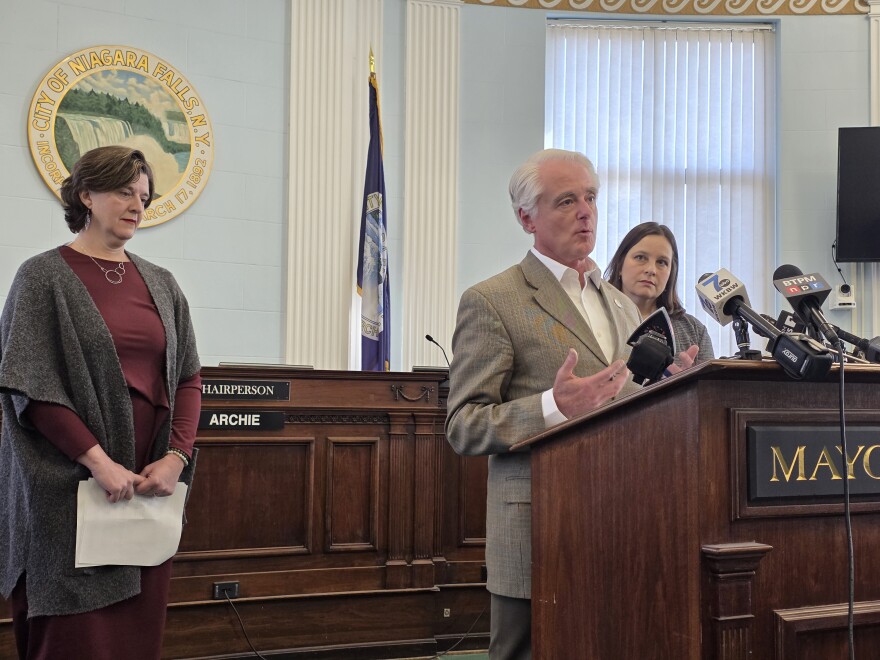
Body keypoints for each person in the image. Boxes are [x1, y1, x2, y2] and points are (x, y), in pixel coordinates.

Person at [445, 149, 698, 660]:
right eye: (566, 201)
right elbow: (464, 425)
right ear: (527, 219)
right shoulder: (492, 300)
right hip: (539, 527)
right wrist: (553, 407)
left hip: (623, 520)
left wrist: (668, 391)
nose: (586, 212)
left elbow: (621, 399)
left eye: (591, 198)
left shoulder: (620, 303)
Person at [0, 146, 202, 660]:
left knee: (136, 638)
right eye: (124, 192)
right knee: (73, 636)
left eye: (144, 197)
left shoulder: (162, 283)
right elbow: (31, 387)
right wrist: (98, 463)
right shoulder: (41, 277)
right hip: (67, 490)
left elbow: (188, 378)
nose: (137, 206)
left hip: (145, 489)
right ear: (86, 195)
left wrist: (176, 458)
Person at [604, 221, 714, 366]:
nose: (651, 270)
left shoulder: (694, 330)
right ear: (620, 265)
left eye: (661, 262)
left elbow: (711, 381)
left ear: (671, 274)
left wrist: (690, 380)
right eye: (640, 257)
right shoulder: (596, 314)